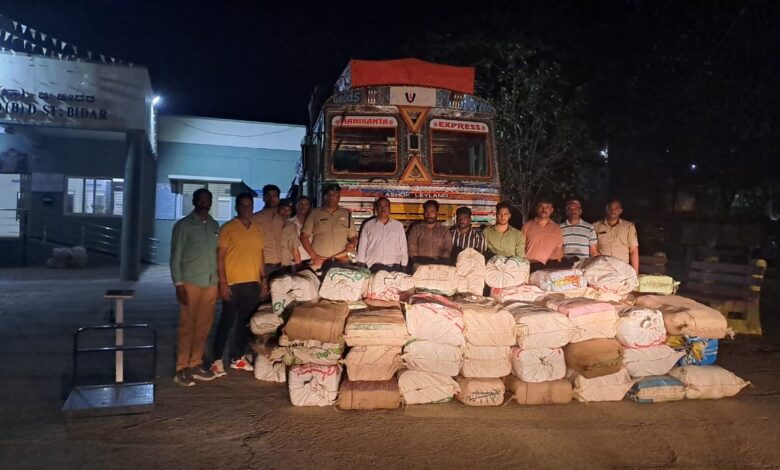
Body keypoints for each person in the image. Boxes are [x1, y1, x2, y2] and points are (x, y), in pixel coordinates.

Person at [211, 192, 265, 377]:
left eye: (250, 206)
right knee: (226, 322)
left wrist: (263, 278)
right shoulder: (228, 228)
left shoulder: (257, 228)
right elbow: (220, 256)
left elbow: (260, 255)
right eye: (243, 205)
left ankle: (237, 358)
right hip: (232, 283)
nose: (247, 209)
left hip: (252, 283)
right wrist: (222, 282)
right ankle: (216, 360)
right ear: (237, 207)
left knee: (244, 323)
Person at [170, 188, 219, 386]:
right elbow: (175, 256)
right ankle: (181, 368)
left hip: (211, 282)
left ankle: (195, 363)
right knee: (187, 325)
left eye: (208, 200)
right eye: (201, 199)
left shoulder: (214, 225)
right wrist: (178, 284)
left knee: (204, 326)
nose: (204, 203)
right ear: (194, 201)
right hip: (190, 282)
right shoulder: (183, 225)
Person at [301, 183, 357, 269]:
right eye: (329, 194)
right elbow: (304, 237)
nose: (332, 197)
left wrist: (352, 244)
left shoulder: (346, 214)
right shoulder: (314, 213)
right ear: (325, 196)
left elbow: (353, 237)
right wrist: (314, 256)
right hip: (320, 260)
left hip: (342, 260)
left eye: (336, 194)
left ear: (339, 197)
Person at [357, 197, 408, 272]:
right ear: (376, 209)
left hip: (394, 267)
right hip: (373, 267)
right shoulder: (368, 225)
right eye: (380, 206)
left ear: (390, 209)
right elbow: (362, 247)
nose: (383, 208)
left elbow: (403, 247)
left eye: (385, 206)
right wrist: (361, 265)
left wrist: (404, 266)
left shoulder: (398, 226)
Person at [594, 198, 640, 272]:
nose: (613, 210)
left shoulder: (629, 227)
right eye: (610, 208)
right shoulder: (595, 227)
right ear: (606, 209)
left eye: (616, 208)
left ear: (620, 211)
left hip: (622, 269)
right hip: (603, 268)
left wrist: (635, 273)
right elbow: (593, 249)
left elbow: (633, 251)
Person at [252, 184, 284, 282]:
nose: (271, 199)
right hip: (263, 266)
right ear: (263, 198)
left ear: (278, 198)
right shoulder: (255, 219)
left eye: (274, 196)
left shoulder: (282, 219)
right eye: (268, 195)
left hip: (282, 266)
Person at [406, 199, 453, 265]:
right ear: (423, 213)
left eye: (432, 212)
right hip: (419, 266)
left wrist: (438, 263)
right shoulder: (415, 229)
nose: (429, 215)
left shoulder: (444, 231)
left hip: (439, 267)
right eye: (426, 212)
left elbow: (448, 249)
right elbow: (412, 249)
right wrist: (419, 263)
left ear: (437, 213)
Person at [522, 198, 565, 268]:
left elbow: (559, 251)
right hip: (531, 266)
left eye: (547, 207)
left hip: (551, 268)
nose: (544, 209)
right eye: (541, 206)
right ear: (536, 208)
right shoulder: (527, 226)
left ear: (552, 210)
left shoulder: (557, 228)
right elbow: (520, 249)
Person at [278, 199, 302, 269]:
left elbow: (295, 251)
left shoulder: (292, 226)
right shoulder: (268, 225)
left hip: (286, 266)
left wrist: (300, 268)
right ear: (277, 209)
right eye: (283, 209)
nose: (286, 212)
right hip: (270, 266)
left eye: (289, 210)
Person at [290, 196, 312, 264]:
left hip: (312, 260)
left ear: (309, 207)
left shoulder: (313, 222)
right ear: (296, 206)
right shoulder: (290, 223)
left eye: (306, 204)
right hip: (295, 262)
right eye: (300, 204)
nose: (303, 206)